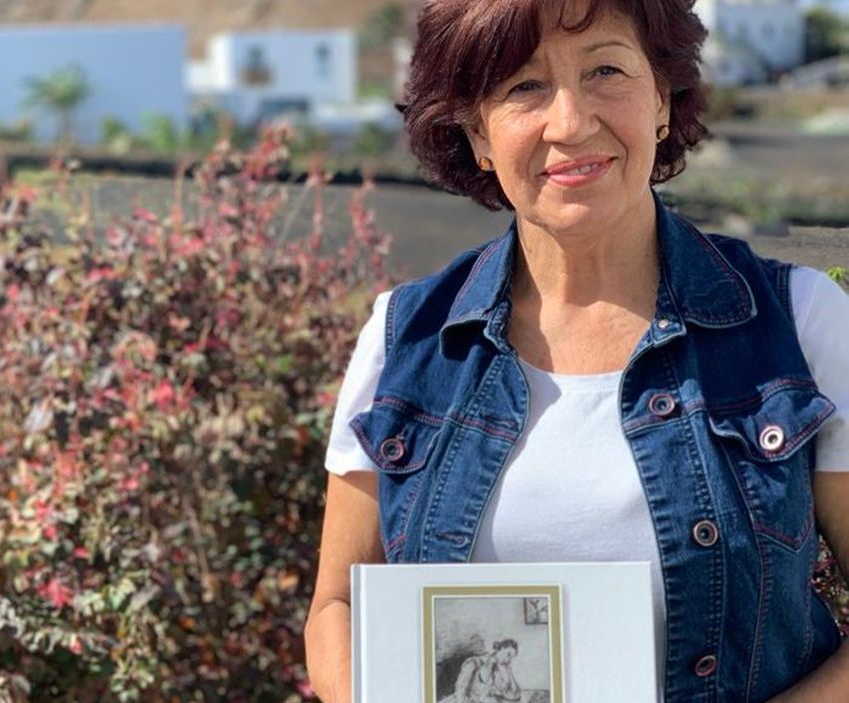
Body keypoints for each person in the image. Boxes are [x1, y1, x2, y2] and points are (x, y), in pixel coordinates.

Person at [302, 1, 849, 701]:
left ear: (661, 98)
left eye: (605, 70)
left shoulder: (798, 322)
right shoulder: (401, 341)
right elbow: (336, 608)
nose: (570, 122)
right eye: (523, 86)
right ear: (478, 134)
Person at [453, 639, 523, 703]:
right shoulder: (474, 663)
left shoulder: (498, 671)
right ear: (501, 649)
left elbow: (515, 695)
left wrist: (509, 673)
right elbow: (460, 690)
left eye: (511, 658)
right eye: (508, 654)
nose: (509, 660)